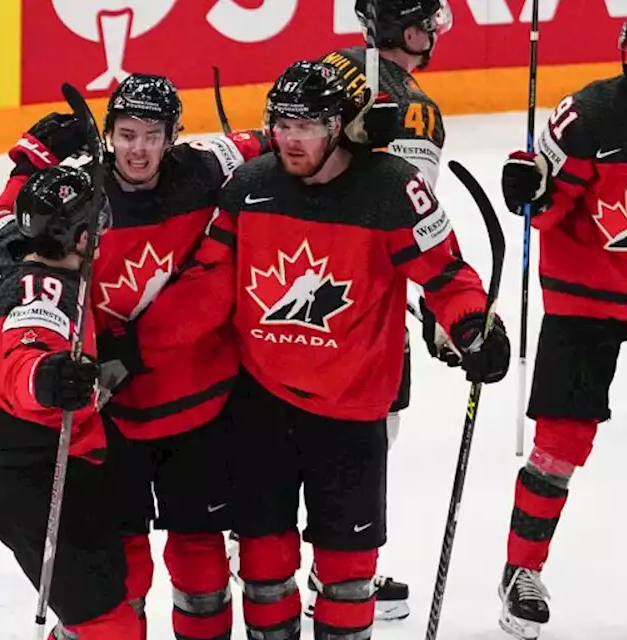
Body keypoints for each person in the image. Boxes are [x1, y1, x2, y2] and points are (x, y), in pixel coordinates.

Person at [0, 74, 272, 640]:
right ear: (107, 135)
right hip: (106, 411)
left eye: (152, 136)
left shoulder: (206, 168)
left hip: (194, 402)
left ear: (175, 136)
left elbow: (279, 138)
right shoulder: (75, 198)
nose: (138, 149)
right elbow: (9, 258)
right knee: (121, 568)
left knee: (200, 557)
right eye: (126, 134)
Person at [148, 60, 508, 639]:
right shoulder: (250, 187)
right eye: (283, 124)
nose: (290, 139)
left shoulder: (392, 190)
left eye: (308, 125)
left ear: (344, 125)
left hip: (351, 412)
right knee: (264, 565)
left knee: (346, 575)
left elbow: (447, 276)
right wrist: (135, 343)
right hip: (260, 404)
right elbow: (208, 285)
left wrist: (472, 328)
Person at [302, 0, 458, 619]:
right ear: (409, 28)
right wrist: (446, 305)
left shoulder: (320, 68)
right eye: (430, 21)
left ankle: (276, 558)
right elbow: (406, 212)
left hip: (291, 272)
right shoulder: (418, 108)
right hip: (363, 297)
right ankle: (338, 569)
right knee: (366, 435)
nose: (436, 33)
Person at [0, 164, 140, 638]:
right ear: (78, 238)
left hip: (15, 453)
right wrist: (46, 379)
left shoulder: (5, 240)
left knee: (112, 590)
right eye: (94, 223)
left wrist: (29, 157)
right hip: (29, 471)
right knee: (108, 624)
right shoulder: (47, 291)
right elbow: (27, 352)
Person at [494, 23, 627, 640]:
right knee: (560, 444)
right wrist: (528, 189)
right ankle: (521, 570)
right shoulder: (589, 116)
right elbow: (545, 210)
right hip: (588, 301)